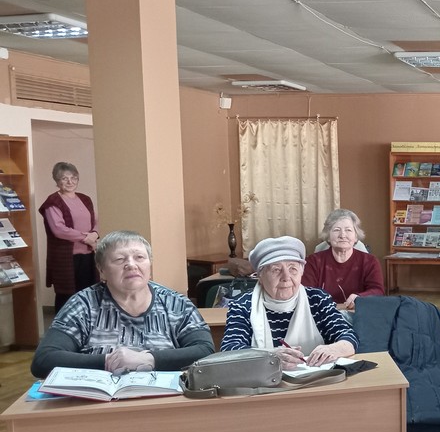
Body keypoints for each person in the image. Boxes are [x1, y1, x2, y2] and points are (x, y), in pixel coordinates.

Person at [30, 230, 213, 377]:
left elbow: (205, 351)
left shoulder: (175, 304)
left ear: (150, 265)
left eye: (139, 257)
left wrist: (147, 359)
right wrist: (110, 361)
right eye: (119, 259)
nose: (131, 265)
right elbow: (44, 360)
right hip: (99, 403)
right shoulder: (84, 304)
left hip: (164, 402)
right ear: (101, 270)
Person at [221, 236, 357, 368]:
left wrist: (334, 349)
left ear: (301, 272)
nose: (286, 277)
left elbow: (348, 336)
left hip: (316, 379)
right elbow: (229, 350)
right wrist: (270, 357)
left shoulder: (317, 299)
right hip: (263, 382)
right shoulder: (243, 305)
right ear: (260, 277)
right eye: (276, 270)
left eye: (293, 269)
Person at [38, 161, 98, 313]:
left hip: (88, 255)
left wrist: (95, 234)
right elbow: (59, 229)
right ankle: (62, 326)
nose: (70, 182)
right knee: (66, 296)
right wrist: (85, 237)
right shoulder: (53, 202)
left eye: (73, 178)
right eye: (64, 178)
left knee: (88, 293)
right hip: (66, 258)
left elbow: (95, 221)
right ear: (57, 181)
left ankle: (85, 325)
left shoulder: (85, 199)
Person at [302, 208, 384, 313]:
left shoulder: (370, 262)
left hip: (358, 314)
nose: (342, 235)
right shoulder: (313, 261)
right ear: (328, 236)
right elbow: (306, 293)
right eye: (336, 230)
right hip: (323, 314)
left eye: (348, 230)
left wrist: (360, 297)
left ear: (356, 236)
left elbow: (378, 291)